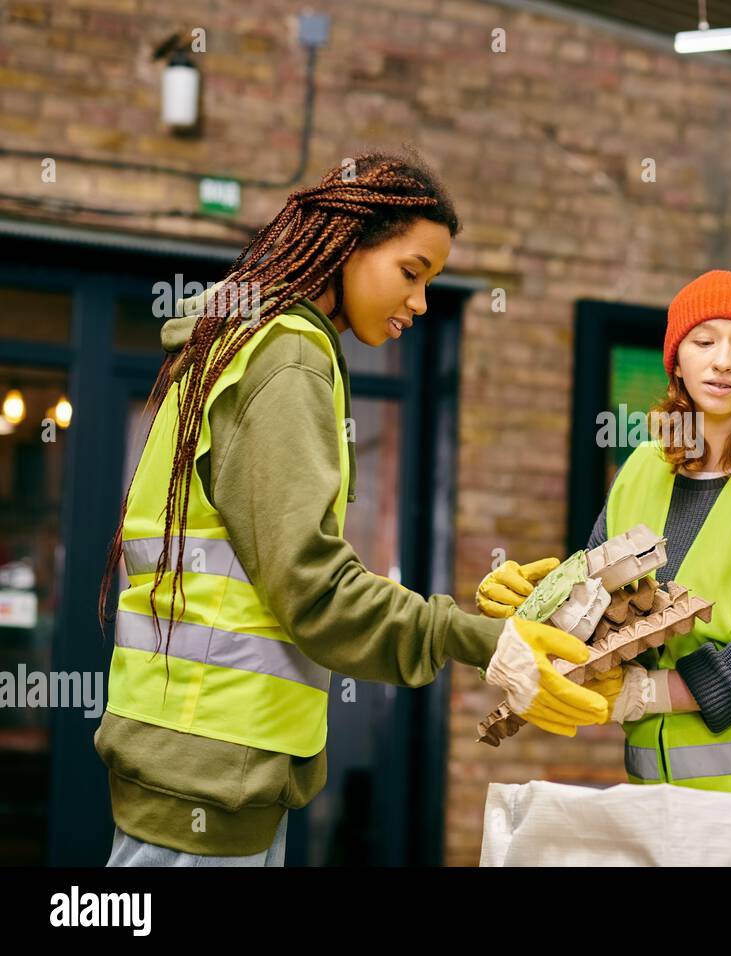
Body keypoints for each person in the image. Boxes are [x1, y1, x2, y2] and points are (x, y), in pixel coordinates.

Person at [95, 151, 607, 866]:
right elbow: (315, 591)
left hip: (202, 761)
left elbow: (290, 574)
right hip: (206, 774)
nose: (422, 302)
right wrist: (482, 641)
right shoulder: (287, 359)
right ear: (348, 242)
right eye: (411, 271)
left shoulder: (248, 344)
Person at [479, 270, 731, 799]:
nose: (724, 361)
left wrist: (648, 693)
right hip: (661, 797)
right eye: (704, 341)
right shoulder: (641, 471)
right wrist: (536, 603)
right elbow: (605, 612)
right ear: (677, 361)